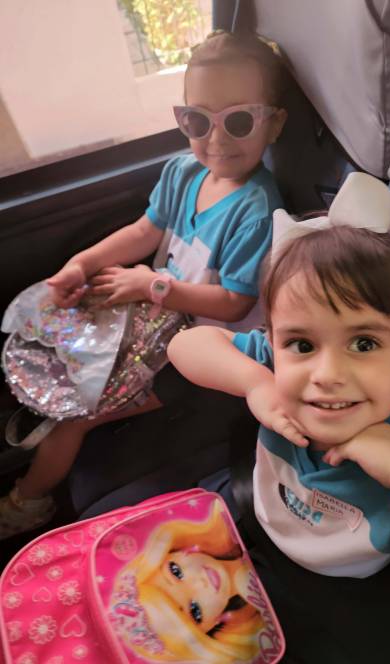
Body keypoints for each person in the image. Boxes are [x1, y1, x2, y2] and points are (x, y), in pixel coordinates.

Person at [168, 173, 390, 664]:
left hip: (340, 591)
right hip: (252, 526)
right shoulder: (274, 371)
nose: (326, 375)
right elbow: (186, 345)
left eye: (364, 343)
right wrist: (255, 383)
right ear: (274, 342)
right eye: (302, 344)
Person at [0, 30, 288, 539]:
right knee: (65, 330)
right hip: (154, 316)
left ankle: (29, 502)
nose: (216, 140)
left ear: (275, 124)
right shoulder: (183, 171)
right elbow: (143, 232)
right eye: (197, 121)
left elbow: (233, 301)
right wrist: (81, 265)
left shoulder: (256, 210)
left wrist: (153, 287)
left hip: (197, 352)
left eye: (239, 121)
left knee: (76, 417)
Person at [110, 498, 267, 662]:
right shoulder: (266, 611)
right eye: (195, 610)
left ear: (171, 552)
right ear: (210, 627)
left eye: (176, 572)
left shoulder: (219, 512)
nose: (200, 583)